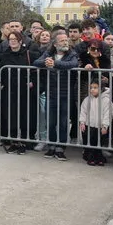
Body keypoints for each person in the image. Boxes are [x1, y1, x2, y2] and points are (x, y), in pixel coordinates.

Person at [39, 31, 79, 160]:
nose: (65, 42)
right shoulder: (49, 54)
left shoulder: (72, 54)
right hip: (51, 93)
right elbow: (36, 62)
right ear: (55, 44)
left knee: (63, 122)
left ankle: (60, 147)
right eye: (62, 41)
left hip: (66, 94)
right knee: (50, 122)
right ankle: (51, 146)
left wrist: (55, 64)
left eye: (66, 40)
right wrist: (46, 62)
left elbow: (73, 64)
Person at [0, 31, 37, 154]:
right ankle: (14, 142)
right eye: (10, 39)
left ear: (21, 41)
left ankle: (25, 142)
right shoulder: (5, 55)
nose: (13, 41)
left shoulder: (29, 55)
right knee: (12, 116)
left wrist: (33, 82)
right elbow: (0, 71)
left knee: (25, 116)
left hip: (25, 91)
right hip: (10, 91)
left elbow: (37, 71)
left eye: (15, 39)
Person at [78, 79, 112, 166]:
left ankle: (98, 155)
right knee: (90, 141)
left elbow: (107, 114)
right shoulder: (87, 99)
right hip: (89, 125)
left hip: (100, 126)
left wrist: (105, 125)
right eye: (91, 88)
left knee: (99, 142)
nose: (92, 89)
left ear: (101, 88)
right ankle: (90, 155)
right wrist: (82, 122)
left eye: (95, 88)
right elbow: (83, 111)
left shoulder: (106, 100)